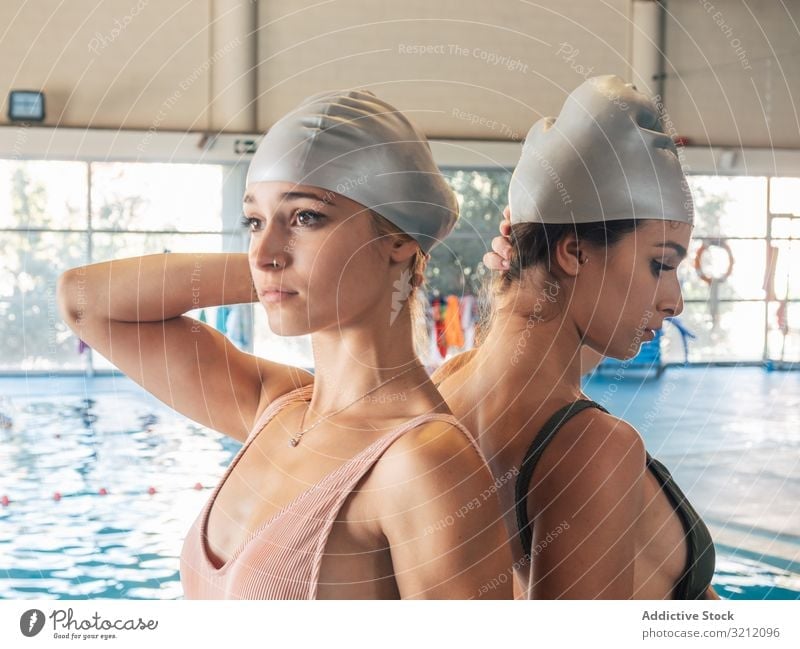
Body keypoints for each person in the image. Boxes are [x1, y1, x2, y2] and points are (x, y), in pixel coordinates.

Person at [57, 89, 512, 600]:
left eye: (305, 218)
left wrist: (307, 277)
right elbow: (83, 299)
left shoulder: (422, 462)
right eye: (255, 222)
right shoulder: (272, 407)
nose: (263, 251)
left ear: (400, 239)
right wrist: (290, 276)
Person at [432, 76, 717, 599]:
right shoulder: (593, 449)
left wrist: (526, 273)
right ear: (573, 252)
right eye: (661, 264)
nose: (674, 301)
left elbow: (545, 347)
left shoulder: (448, 388)